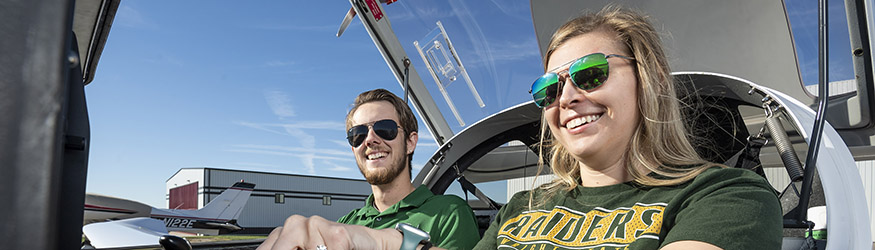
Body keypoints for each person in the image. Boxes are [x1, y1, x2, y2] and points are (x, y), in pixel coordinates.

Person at [471, 5, 782, 250]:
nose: (565, 98)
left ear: (650, 81)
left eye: (590, 72)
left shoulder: (726, 195)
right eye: (548, 89)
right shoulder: (520, 208)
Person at [258, 89, 480, 250]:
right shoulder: (345, 224)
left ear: (411, 142)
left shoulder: (449, 213)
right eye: (358, 135)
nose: (370, 140)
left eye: (385, 129)